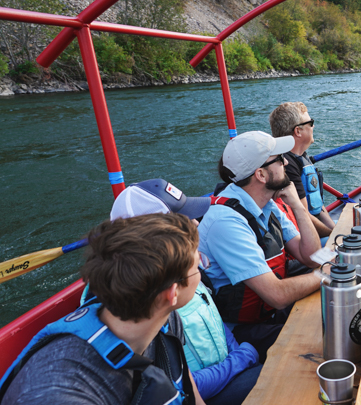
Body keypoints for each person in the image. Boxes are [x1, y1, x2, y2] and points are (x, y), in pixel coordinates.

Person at [0, 214, 205, 405]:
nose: (202, 270)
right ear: (172, 293)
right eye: (197, 267)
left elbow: (186, 387)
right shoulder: (59, 392)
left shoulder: (166, 319)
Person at [109, 179, 262, 405]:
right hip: (211, 389)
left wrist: (240, 355)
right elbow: (182, 386)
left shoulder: (186, 273)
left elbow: (219, 327)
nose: (196, 224)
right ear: (157, 237)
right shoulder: (149, 304)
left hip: (225, 372)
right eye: (185, 220)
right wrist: (242, 359)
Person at [199, 131, 322, 360]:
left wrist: (296, 205)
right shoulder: (226, 223)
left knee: (334, 307)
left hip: (266, 314)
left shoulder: (267, 204)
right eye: (279, 159)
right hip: (239, 333)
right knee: (320, 339)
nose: (286, 162)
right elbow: (276, 295)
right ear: (261, 175)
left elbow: (313, 257)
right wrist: (326, 275)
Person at [269, 101, 335, 243]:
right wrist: (334, 235)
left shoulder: (301, 156)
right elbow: (302, 216)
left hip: (314, 225)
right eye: (310, 123)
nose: (313, 126)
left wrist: (335, 229)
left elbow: (318, 206)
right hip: (300, 237)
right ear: (298, 131)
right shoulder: (285, 165)